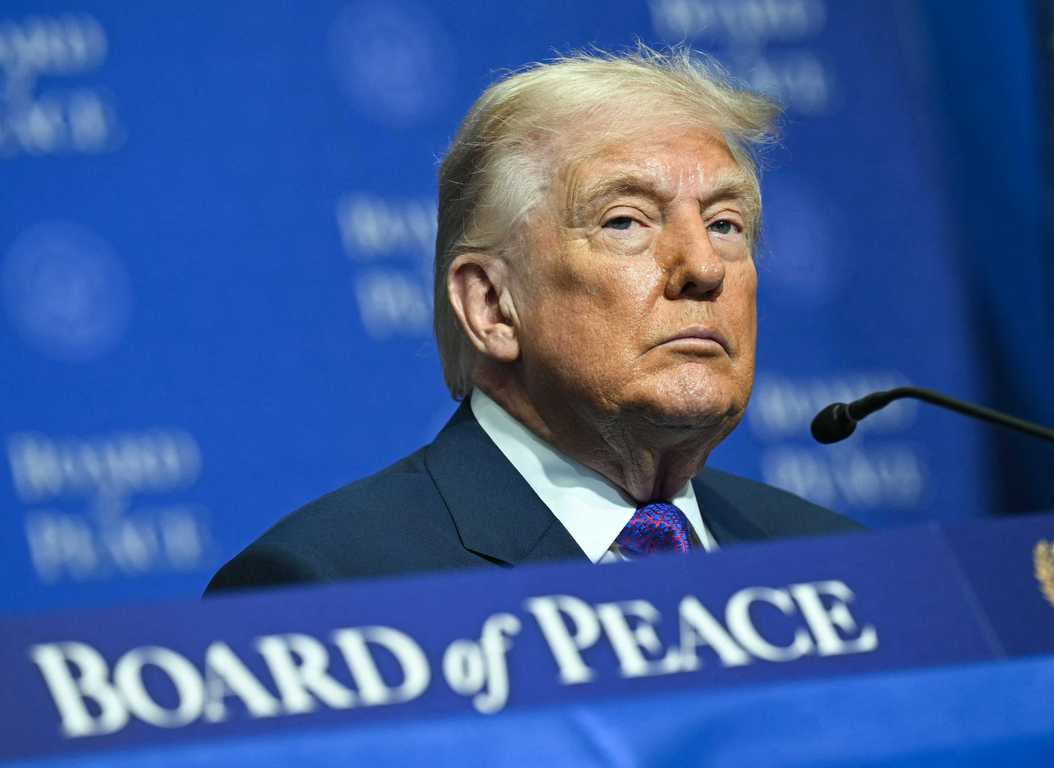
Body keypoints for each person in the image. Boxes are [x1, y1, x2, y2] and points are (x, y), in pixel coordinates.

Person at [206, 47, 857, 593]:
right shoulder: (331, 588)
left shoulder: (834, 562)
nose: (704, 267)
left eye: (725, 224)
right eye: (624, 220)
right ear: (491, 305)